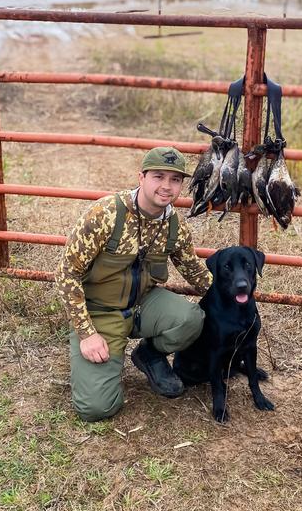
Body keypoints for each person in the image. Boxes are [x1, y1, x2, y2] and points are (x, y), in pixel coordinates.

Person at [56, 146, 213, 421]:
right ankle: (105, 359)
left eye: (175, 180)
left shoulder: (174, 224)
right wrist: (87, 333)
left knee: (191, 318)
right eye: (159, 176)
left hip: (143, 304)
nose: (166, 186)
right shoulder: (107, 213)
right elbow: (67, 274)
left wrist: (239, 294)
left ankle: (149, 355)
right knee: (96, 408)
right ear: (141, 177)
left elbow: (195, 273)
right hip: (101, 312)